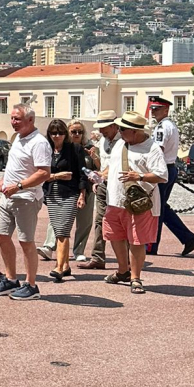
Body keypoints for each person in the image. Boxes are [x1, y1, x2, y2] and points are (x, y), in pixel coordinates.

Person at [0, 104, 52, 300]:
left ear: (30, 120)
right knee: (2, 236)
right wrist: (3, 180)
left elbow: (44, 173)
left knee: (26, 241)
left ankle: (31, 285)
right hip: (9, 196)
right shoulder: (18, 138)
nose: (13, 122)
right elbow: (14, 165)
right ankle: (10, 279)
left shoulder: (39, 142)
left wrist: (19, 186)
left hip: (26, 198)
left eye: (17, 119)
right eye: (12, 118)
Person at [101, 110, 167, 293]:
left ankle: (135, 277)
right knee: (114, 235)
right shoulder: (121, 144)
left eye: (123, 129)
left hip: (138, 202)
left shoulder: (152, 148)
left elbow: (162, 176)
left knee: (137, 240)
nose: (119, 131)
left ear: (135, 131)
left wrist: (140, 176)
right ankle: (123, 270)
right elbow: (113, 165)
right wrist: (102, 175)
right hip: (114, 199)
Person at [40, 120, 97, 262]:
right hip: (58, 191)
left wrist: (95, 158)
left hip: (84, 189)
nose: (77, 134)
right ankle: (50, 248)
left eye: (80, 132)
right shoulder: (51, 149)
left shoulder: (89, 148)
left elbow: (95, 169)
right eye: (74, 131)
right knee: (60, 222)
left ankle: (77, 252)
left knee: (84, 222)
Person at [148, 96, 194, 256]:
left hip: (162, 169)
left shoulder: (162, 127)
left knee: (156, 209)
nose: (153, 111)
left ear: (166, 110)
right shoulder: (169, 125)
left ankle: (151, 246)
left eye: (156, 109)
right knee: (162, 208)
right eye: (152, 108)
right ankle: (187, 238)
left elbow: (158, 150)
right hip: (169, 168)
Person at [78, 111, 120, 270]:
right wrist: (98, 177)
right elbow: (103, 163)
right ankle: (97, 256)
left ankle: (127, 261)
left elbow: (117, 164)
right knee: (99, 221)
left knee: (120, 223)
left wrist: (103, 174)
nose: (101, 131)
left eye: (105, 128)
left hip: (119, 187)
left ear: (114, 125)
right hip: (104, 185)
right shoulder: (103, 141)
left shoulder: (124, 141)